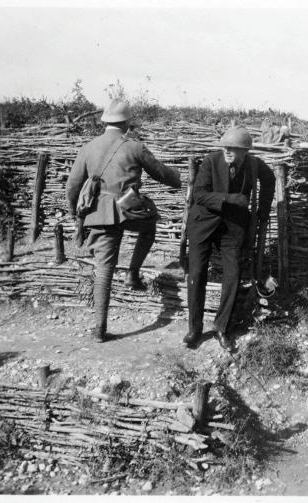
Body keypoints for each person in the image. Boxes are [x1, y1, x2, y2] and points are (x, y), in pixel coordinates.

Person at [66, 99, 181, 342]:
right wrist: (180, 179)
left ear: (105, 122)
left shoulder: (88, 147)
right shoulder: (134, 146)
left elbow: (72, 186)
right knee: (150, 225)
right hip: (128, 209)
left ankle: (99, 329)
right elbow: (162, 173)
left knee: (104, 269)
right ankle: (132, 273)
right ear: (127, 122)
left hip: (99, 213)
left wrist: (77, 213)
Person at [183, 127, 275, 352]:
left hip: (232, 229)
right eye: (225, 147)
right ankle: (194, 329)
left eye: (232, 148)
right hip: (203, 223)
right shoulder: (211, 161)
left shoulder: (254, 165)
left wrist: (262, 211)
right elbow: (199, 195)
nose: (227, 151)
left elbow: (270, 179)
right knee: (196, 274)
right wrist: (231, 199)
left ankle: (221, 328)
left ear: (244, 150)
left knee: (233, 275)